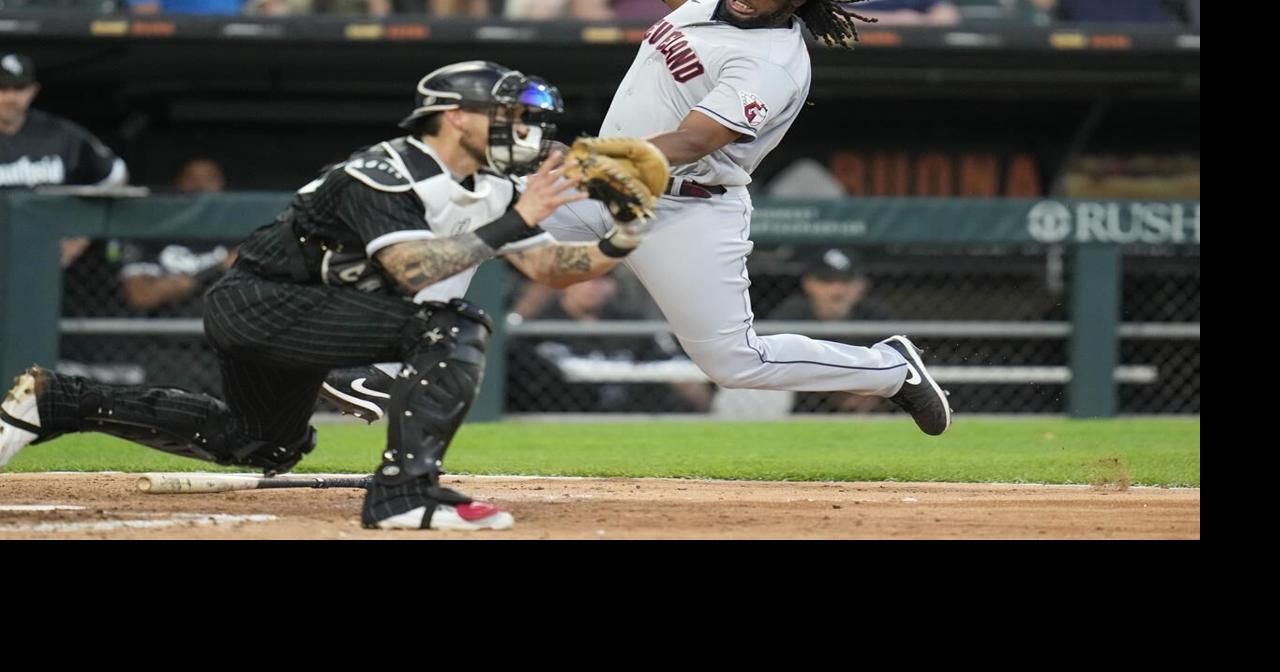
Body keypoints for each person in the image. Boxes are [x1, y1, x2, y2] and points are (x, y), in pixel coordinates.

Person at [1, 61, 656, 531]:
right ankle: (404, 494)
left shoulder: (489, 187)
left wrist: (624, 237)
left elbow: (550, 268)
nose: (524, 129)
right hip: (261, 302)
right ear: (455, 115)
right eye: (508, 116)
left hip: (313, 315)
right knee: (452, 324)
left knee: (262, 445)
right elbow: (408, 269)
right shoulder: (384, 170)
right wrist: (521, 217)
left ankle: (55, 403)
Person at [537, 0, 952, 434]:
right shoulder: (709, 3)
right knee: (472, 224)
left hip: (683, 209)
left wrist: (591, 159)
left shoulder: (770, 64)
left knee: (735, 361)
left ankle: (888, 369)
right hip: (599, 188)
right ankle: (455, 360)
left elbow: (694, 140)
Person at [1, 53, 129, 268]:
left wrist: (80, 234)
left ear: (33, 91)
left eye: (19, 89)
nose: (11, 98)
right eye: (3, 89)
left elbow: (115, 176)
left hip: (44, 257)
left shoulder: (61, 135)